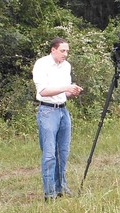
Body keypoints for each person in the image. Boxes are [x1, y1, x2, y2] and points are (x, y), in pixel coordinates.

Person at [32, 37, 83, 201]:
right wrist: (66, 88)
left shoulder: (66, 66)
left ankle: (61, 188)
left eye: (67, 51)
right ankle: (50, 193)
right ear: (53, 50)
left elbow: (64, 93)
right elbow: (43, 91)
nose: (65, 54)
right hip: (47, 111)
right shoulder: (42, 64)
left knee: (63, 152)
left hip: (63, 110)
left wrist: (72, 91)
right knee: (49, 155)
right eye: (62, 50)